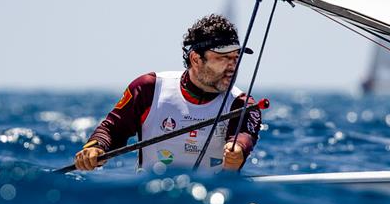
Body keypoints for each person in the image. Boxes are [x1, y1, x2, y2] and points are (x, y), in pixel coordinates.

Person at [74, 14, 262, 172]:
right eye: (223, 58)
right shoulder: (148, 88)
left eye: (236, 58)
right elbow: (112, 130)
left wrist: (237, 151)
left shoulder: (242, 103)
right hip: (151, 202)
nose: (232, 67)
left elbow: (244, 139)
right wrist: (96, 148)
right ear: (196, 59)